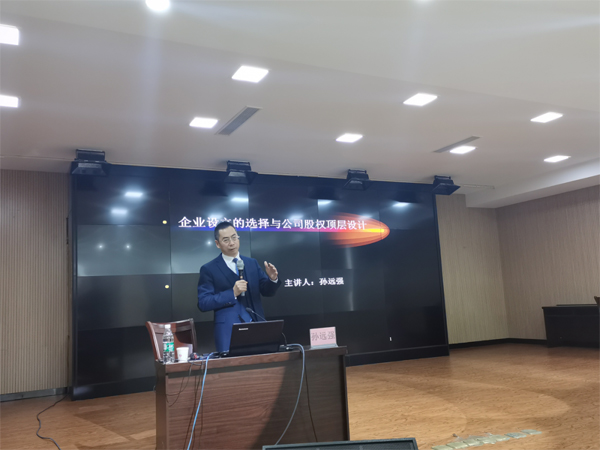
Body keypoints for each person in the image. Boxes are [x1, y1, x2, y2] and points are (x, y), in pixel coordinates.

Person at [197, 221, 281, 352]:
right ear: (217, 244)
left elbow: (267, 291)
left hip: (257, 325)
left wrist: (272, 279)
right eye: (226, 240)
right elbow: (203, 303)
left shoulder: (251, 263)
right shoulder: (209, 269)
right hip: (228, 330)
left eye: (234, 237)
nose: (231, 243)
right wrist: (232, 293)